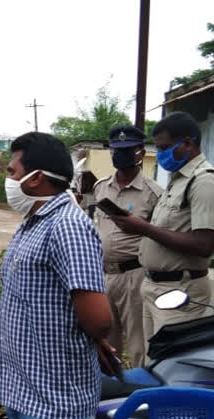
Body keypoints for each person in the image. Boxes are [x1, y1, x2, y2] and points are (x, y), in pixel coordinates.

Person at [0, 132, 112, 419]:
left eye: (13, 171)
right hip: (25, 389)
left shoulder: (68, 226)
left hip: (54, 399)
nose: (8, 178)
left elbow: (97, 319)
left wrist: (96, 337)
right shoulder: (33, 222)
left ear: (36, 178)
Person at [111, 112, 214, 337]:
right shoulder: (178, 180)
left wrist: (143, 228)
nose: (160, 155)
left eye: (165, 148)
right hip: (155, 287)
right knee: (154, 363)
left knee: (172, 366)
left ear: (188, 143)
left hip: (180, 291)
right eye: (158, 149)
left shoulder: (204, 181)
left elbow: (204, 244)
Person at [93, 126, 163, 367]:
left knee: (138, 345)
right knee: (104, 342)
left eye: (126, 150)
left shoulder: (154, 193)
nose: (118, 155)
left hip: (135, 276)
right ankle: (108, 393)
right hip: (103, 276)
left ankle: (139, 393)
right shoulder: (101, 187)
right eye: (115, 150)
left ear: (140, 153)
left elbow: (159, 235)